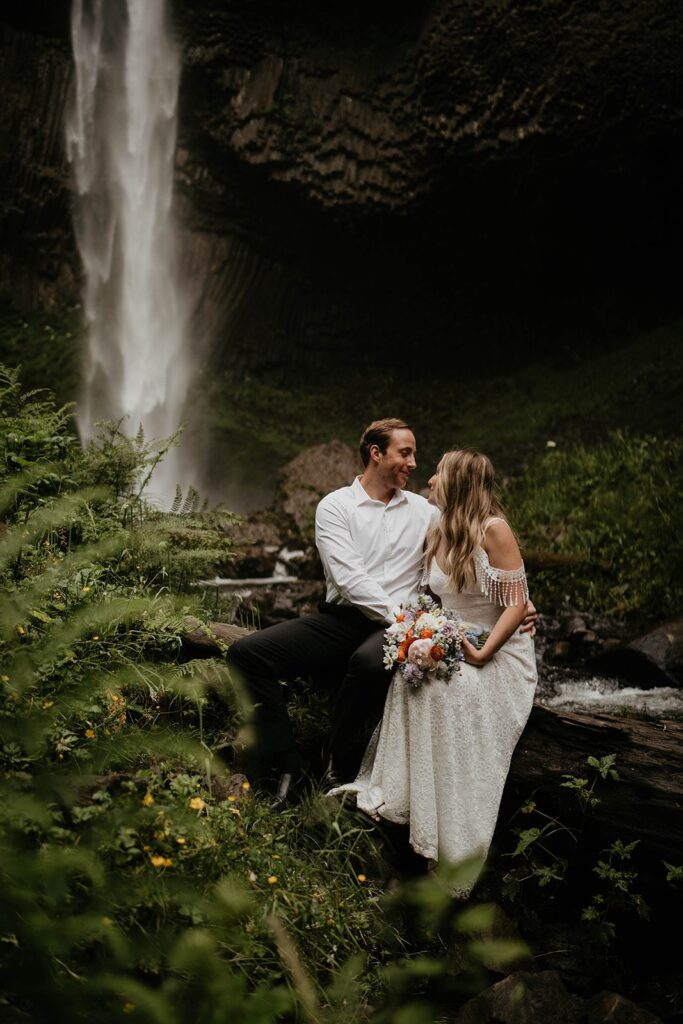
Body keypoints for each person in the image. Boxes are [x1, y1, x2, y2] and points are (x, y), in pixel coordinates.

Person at [227, 425, 536, 809]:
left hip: (399, 626)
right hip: (345, 619)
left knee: (367, 664)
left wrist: (519, 604)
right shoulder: (335, 507)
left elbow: (476, 549)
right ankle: (285, 761)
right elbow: (349, 579)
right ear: (376, 453)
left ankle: (333, 765)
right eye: (405, 453)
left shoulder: (426, 512)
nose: (414, 463)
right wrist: (408, 622)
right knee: (247, 653)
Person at [329, 449, 538, 891]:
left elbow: (516, 602)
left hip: (497, 650)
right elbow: (432, 595)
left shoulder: (494, 530)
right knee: (411, 677)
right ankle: (402, 800)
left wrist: (481, 653)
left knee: (447, 690)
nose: (428, 482)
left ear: (458, 481)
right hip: (453, 637)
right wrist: (424, 633)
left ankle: (450, 838)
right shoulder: (438, 528)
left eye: (438, 474)